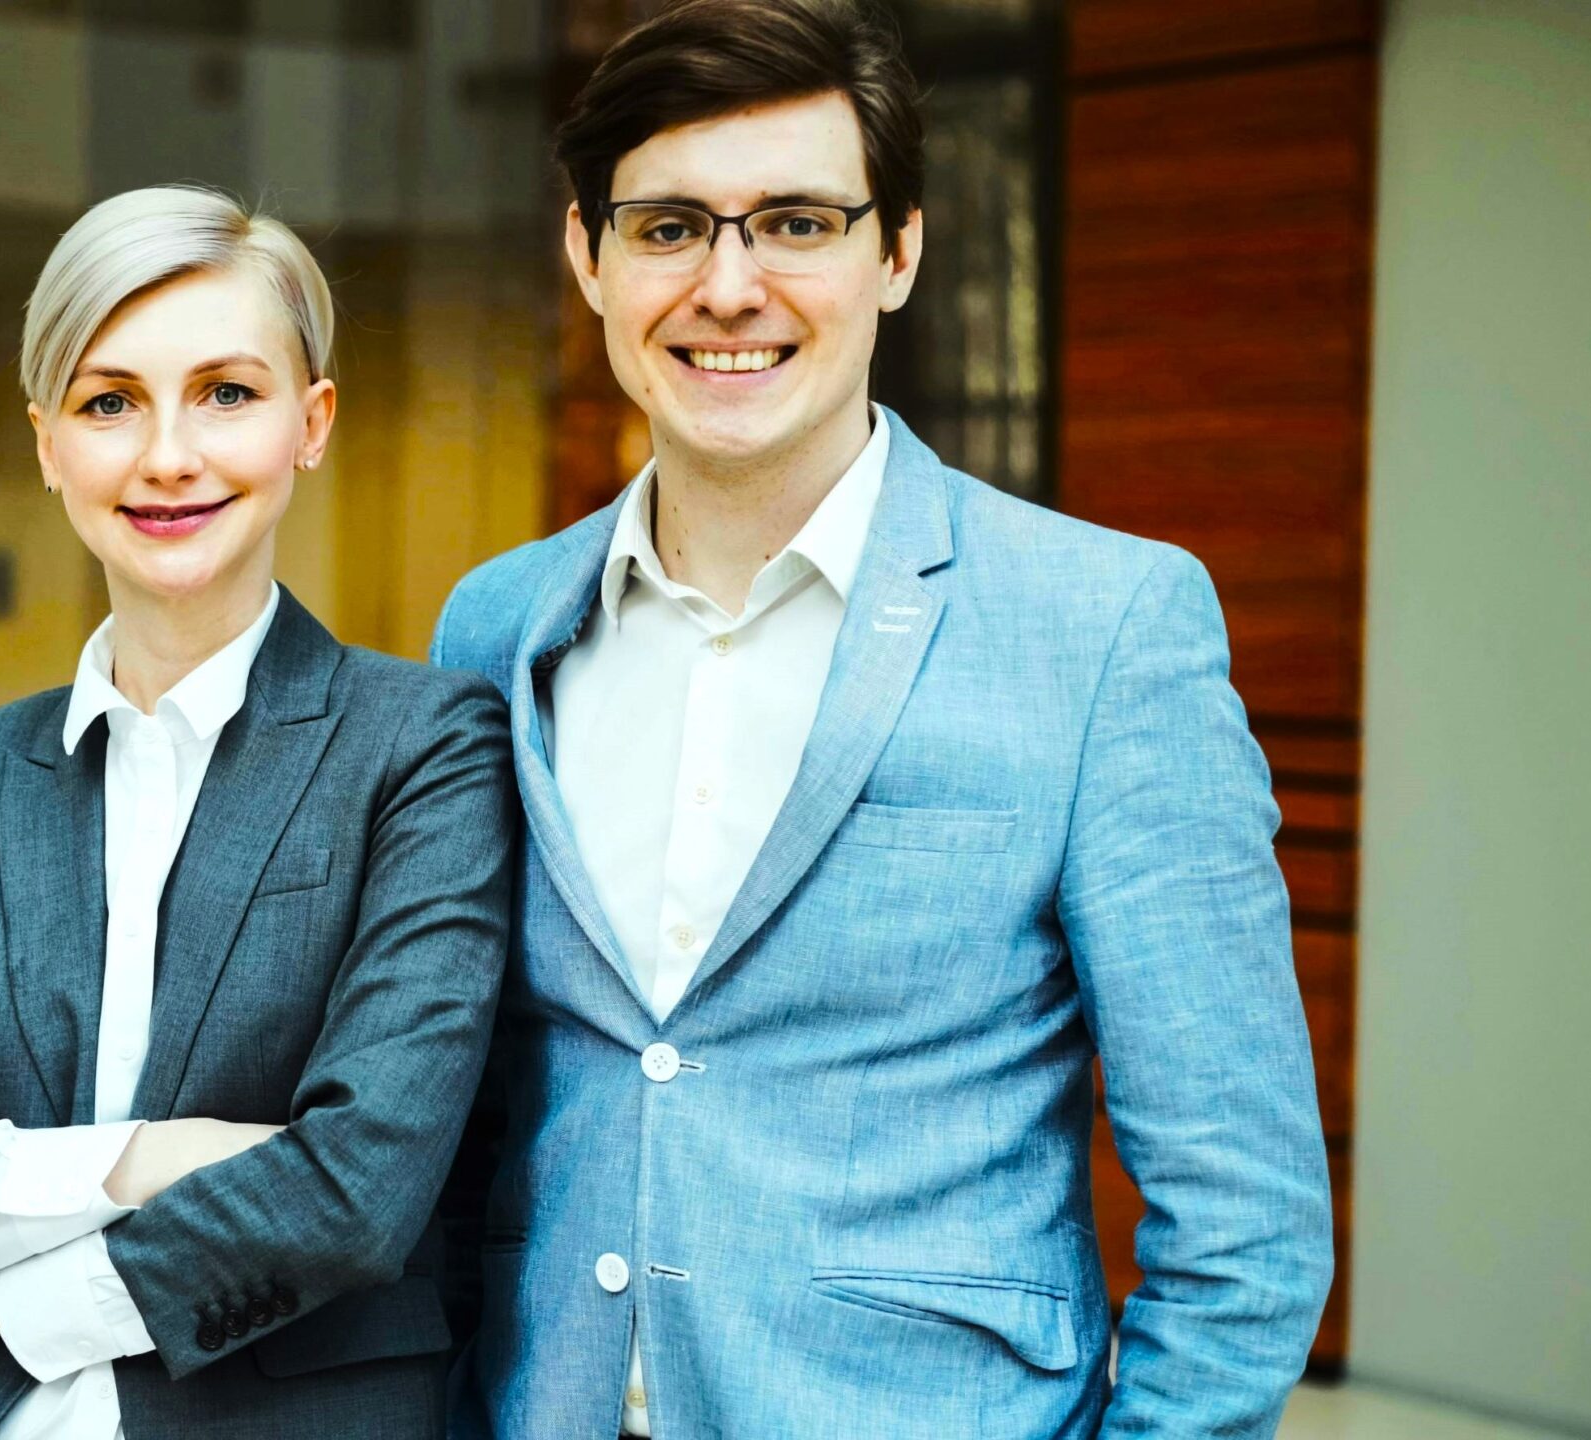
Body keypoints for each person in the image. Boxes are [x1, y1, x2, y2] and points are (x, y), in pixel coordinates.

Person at [432, 1, 1332, 1435]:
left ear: (898, 252)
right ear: (588, 257)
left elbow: (1245, 1222)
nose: (729, 287)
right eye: (669, 228)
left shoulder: (1104, 628)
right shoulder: (496, 626)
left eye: (797, 223)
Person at [0, 185, 515, 1438]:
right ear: (49, 444)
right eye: (109, 402)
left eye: (226, 392)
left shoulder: (422, 748)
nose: (168, 454)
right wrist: (144, 1160)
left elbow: (354, 1189)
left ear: (311, 422)